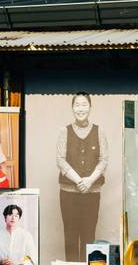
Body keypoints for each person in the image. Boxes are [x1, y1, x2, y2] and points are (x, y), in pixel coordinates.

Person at [56, 92, 108, 261]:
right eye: (77, 105)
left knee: (88, 235)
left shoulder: (99, 131)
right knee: (70, 236)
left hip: (92, 193)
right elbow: (60, 160)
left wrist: (90, 181)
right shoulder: (64, 131)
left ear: (90, 107)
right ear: (72, 108)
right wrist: (79, 181)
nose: (81, 109)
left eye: (84, 104)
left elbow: (104, 160)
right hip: (68, 193)